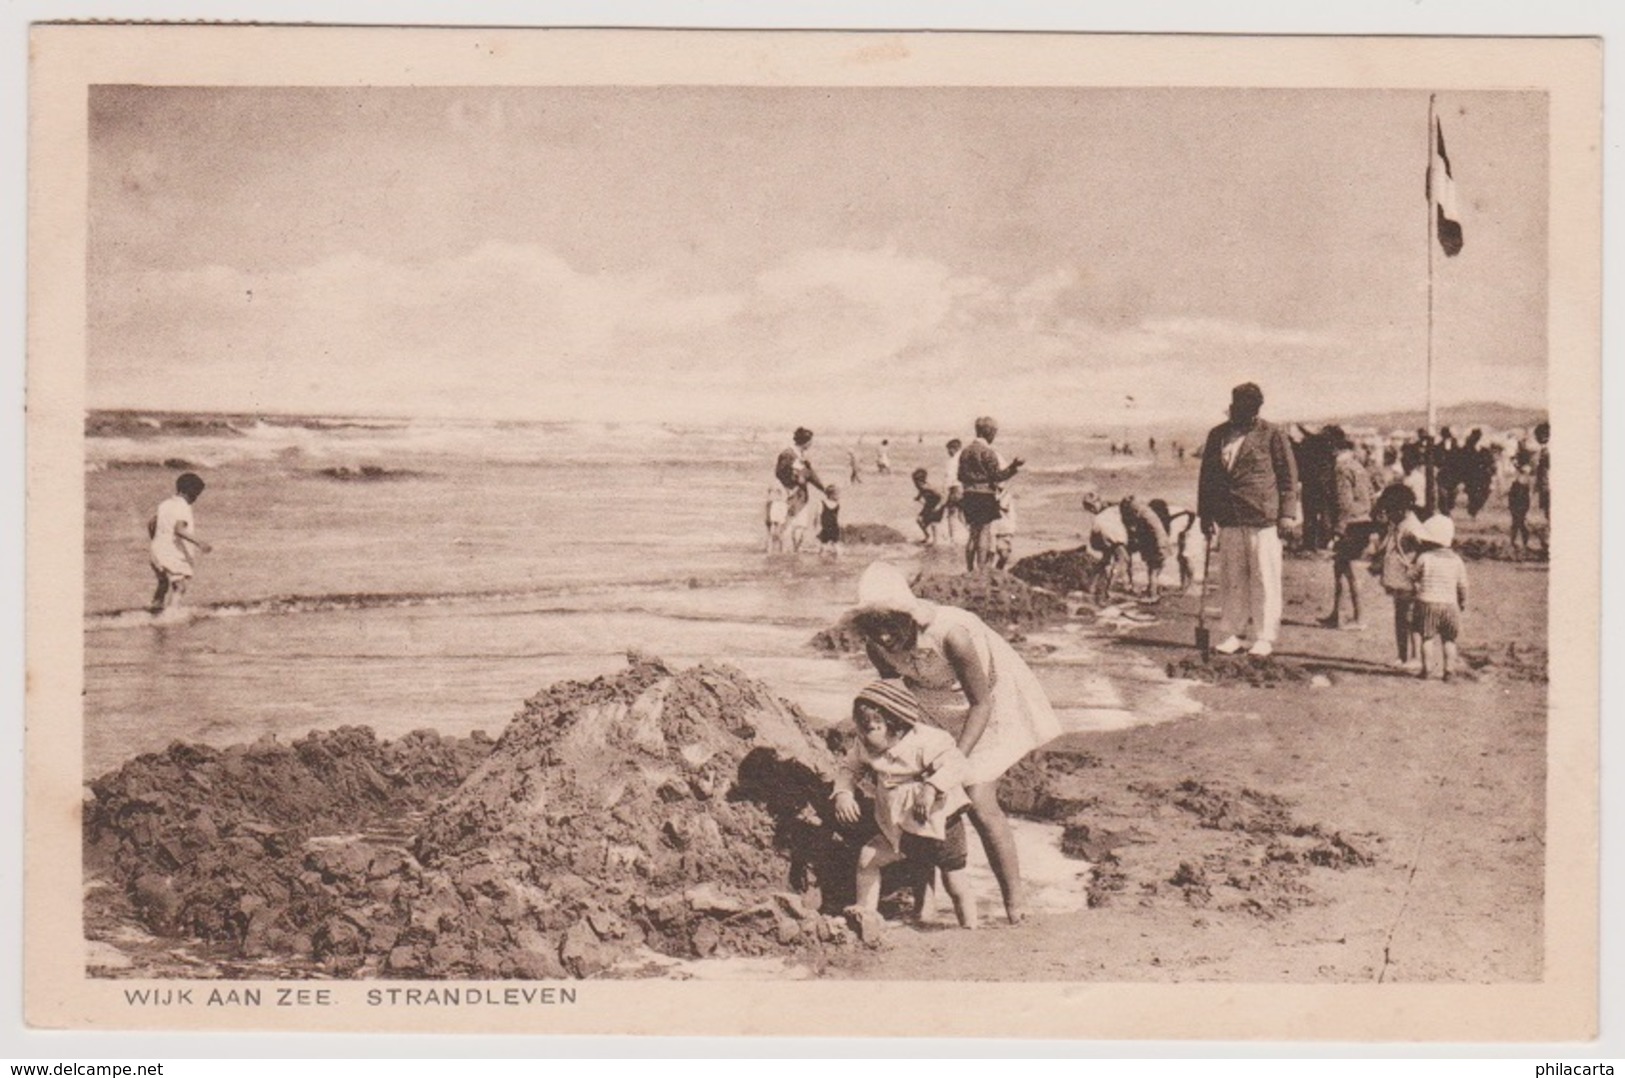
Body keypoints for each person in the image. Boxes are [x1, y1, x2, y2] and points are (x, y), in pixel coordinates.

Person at [844, 562, 1061, 924]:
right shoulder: (877, 646)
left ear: (909, 616)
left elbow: (982, 702)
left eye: (891, 625)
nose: (883, 636)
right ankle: (924, 903)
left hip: (984, 701)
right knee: (919, 796)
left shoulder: (951, 635)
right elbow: (896, 696)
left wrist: (954, 761)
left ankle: (1015, 902)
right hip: (930, 705)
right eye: (873, 627)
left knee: (977, 799)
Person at [832, 679, 977, 937]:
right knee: (868, 858)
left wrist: (932, 787)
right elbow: (848, 768)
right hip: (897, 824)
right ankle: (865, 918)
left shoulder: (927, 741)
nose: (861, 737)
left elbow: (957, 766)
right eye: (860, 729)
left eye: (868, 729)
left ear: (893, 726)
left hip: (939, 822)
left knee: (953, 878)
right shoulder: (865, 744)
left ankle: (969, 928)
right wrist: (844, 793)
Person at [1197, 383, 1300, 657]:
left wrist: (1287, 515)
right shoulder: (1217, 435)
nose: (1237, 413)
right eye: (1235, 407)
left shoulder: (1273, 434)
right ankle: (1232, 634)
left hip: (1263, 518)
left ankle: (1264, 637)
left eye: (1244, 410)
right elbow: (1207, 477)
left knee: (1265, 578)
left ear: (1255, 411)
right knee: (1232, 578)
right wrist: (1205, 514)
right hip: (1228, 517)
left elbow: (1288, 477)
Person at [1319, 428, 1378, 631]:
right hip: (1362, 522)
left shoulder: (1341, 469)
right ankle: (1338, 615)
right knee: (1341, 569)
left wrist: (1337, 531)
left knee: (1348, 572)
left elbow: (1343, 504)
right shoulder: (1357, 466)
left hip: (1350, 525)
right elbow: (1371, 495)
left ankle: (1358, 618)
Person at [957, 416, 1024, 573]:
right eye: (994, 432)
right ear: (989, 432)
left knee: (973, 533)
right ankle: (981, 570)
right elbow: (998, 476)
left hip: (968, 494)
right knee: (984, 532)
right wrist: (1014, 466)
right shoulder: (988, 453)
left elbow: (960, 476)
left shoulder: (965, 452)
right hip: (984, 495)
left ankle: (969, 568)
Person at [1370, 483, 1425, 669]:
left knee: (1411, 618)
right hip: (1399, 580)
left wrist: (1416, 570)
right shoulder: (1399, 523)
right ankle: (1402, 656)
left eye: (1391, 510)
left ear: (1402, 509)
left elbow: (1422, 550)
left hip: (1410, 581)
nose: (1389, 515)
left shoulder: (1412, 527)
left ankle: (1416, 657)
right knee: (1400, 617)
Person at [1411, 514, 1468, 681]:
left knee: (1427, 638)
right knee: (1449, 640)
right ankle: (1448, 671)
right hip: (1450, 604)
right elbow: (1463, 585)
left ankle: (1427, 670)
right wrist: (1463, 601)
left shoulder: (1424, 558)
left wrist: (1410, 573)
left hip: (1427, 602)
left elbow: (1413, 576)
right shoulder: (1457, 561)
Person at [147, 472, 212, 613]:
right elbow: (179, 529)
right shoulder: (183, 507)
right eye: (195, 495)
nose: (195, 499)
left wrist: (156, 541)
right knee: (180, 586)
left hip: (156, 551)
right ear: (190, 492)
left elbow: (151, 523)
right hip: (171, 554)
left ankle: (154, 611)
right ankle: (172, 615)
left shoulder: (165, 504)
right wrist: (199, 543)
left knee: (163, 583)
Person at [774, 427, 825, 553]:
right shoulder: (788, 454)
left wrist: (823, 488)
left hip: (800, 496)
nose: (811, 444)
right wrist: (795, 480)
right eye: (810, 441)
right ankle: (782, 553)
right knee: (788, 525)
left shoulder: (801, 456)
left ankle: (792, 553)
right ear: (806, 441)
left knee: (799, 526)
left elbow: (810, 475)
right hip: (790, 495)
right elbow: (780, 473)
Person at [1118, 494, 1171, 601]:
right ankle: (1152, 591)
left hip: (1157, 544)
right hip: (1157, 544)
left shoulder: (1146, 515)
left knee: (1153, 571)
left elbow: (1157, 531)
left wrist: (1160, 547)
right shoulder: (1144, 513)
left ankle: (1152, 595)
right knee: (1155, 569)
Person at [1147, 498, 1198, 591]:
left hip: (1189, 533)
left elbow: (1191, 513)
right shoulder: (1165, 516)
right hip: (1183, 533)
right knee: (1181, 558)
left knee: (1185, 557)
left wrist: (1188, 528)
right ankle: (1184, 584)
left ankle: (1191, 583)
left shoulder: (1167, 515)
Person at [911, 468, 945, 545]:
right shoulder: (920, 487)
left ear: (921, 481)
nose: (914, 484)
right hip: (929, 504)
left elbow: (943, 497)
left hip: (938, 504)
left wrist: (938, 506)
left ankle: (935, 541)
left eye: (916, 482)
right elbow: (921, 492)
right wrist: (918, 498)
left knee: (934, 523)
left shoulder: (929, 487)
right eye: (914, 482)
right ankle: (927, 536)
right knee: (919, 520)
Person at [1507, 463, 1533, 554]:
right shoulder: (1518, 484)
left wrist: (1524, 510)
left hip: (1520, 508)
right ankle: (1517, 543)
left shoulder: (1524, 485)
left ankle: (1519, 543)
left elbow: (1526, 500)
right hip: (1517, 507)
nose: (1524, 475)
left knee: (1519, 525)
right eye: (1523, 473)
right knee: (1517, 525)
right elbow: (1511, 497)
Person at [942, 439, 965, 544]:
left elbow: (948, 479)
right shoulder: (965, 459)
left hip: (955, 490)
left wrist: (945, 493)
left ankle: (953, 539)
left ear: (954, 449)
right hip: (965, 490)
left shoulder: (951, 461)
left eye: (949, 450)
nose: (948, 452)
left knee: (951, 515)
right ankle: (972, 534)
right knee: (962, 515)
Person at [817, 483, 843, 558]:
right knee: (828, 545)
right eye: (837, 494)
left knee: (830, 545)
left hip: (831, 527)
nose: (839, 496)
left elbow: (838, 517)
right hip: (829, 527)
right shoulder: (823, 503)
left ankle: (830, 558)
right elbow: (818, 516)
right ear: (831, 495)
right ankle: (834, 558)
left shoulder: (836, 504)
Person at [764, 484, 789, 553]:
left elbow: (784, 513)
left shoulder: (781, 503)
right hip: (772, 519)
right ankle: (772, 550)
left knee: (778, 535)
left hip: (777, 519)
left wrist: (782, 522)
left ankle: (780, 550)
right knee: (773, 534)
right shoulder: (771, 502)